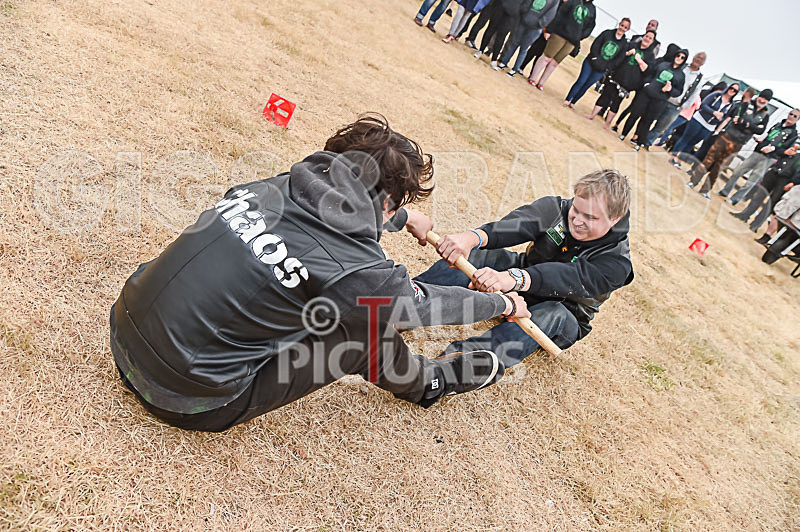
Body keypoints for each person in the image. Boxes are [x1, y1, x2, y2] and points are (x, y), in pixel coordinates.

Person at [109, 115, 531, 432]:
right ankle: (432, 383)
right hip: (188, 398)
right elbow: (425, 305)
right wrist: (501, 302)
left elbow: (326, 211)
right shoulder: (361, 271)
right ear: (387, 201)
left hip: (125, 329)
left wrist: (402, 217)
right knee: (365, 330)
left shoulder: (275, 186)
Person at [414, 169, 634, 367]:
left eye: (590, 217)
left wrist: (513, 278)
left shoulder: (617, 263)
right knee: (483, 256)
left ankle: (458, 364)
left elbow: (568, 277)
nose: (577, 220)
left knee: (553, 314)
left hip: (563, 311)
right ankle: (408, 300)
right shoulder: (557, 209)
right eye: (576, 209)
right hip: (520, 281)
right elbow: (515, 225)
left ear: (614, 219)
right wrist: (472, 238)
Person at [687, 88, 772, 199]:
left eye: (766, 99)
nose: (763, 100)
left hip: (739, 143)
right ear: (758, 96)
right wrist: (751, 126)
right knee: (708, 160)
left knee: (720, 167)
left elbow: (760, 130)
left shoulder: (765, 115)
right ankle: (693, 181)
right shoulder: (745, 105)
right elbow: (735, 119)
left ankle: (705, 190)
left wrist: (745, 123)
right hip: (726, 137)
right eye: (762, 97)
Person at [718, 109, 799, 203]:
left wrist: (773, 149)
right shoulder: (778, 125)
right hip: (758, 152)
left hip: (769, 158)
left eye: (795, 116)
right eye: (791, 114)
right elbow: (767, 135)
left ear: (798, 119)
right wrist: (760, 140)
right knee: (738, 171)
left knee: (751, 181)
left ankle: (735, 199)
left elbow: (786, 150)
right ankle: (725, 191)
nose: (791, 117)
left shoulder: (793, 134)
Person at [584, 30, 656, 129]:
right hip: (616, 76)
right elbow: (619, 56)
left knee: (616, 102)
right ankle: (592, 115)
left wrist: (639, 60)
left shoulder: (651, 56)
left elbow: (647, 70)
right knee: (605, 96)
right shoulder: (631, 45)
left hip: (628, 83)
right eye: (646, 36)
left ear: (652, 41)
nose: (647, 39)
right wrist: (628, 53)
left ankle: (607, 123)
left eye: (650, 38)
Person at [619, 48, 687, 150]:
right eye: (678, 55)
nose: (679, 58)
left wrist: (670, 89)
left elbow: (679, 91)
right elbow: (650, 74)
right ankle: (623, 134)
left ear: (684, 60)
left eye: (682, 57)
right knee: (634, 114)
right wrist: (647, 83)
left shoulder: (681, 76)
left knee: (647, 121)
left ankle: (639, 143)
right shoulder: (663, 65)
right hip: (646, 93)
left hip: (659, 100)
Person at [528, 0, 596, 91]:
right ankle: (533, 78)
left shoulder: (592, 9)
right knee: (546, 57)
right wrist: (549, 30)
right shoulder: (573, 1)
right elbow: (559, 14)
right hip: (559, 34)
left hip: (572, 41)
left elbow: (590, 27)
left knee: (554, 63)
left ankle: (541, 83)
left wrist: (579, 36)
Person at [562, 17, 629, 108]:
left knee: (587, 85)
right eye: (622, 25)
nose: (622, 28)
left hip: (601, 69)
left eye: (625, 27)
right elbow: (596, 44)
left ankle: (573, 102)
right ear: (619, 24)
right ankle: (568, 99)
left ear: (627, 29)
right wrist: (595, 58)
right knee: (581, 81)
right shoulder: (607, 33)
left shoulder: (624, 44)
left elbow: (619, 59)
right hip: (590, 62)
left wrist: (607, 67)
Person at [732, 145, 800, 232]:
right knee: (759, 195)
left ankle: (756, 224)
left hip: (787, 180)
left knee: (771, 203)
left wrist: (794, 182)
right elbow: (778, 150)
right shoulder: (794, 140)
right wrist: (784, 152)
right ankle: (745, 215)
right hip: (774, 172)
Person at [668, 83, 738, 168]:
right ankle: (673, 157)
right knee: (686, 138)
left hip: (709, 126)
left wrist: (718, 127)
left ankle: (679, 160)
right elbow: (703, 105)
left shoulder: (731, 105)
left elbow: (726, 118)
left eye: (735, 91)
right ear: (728, 88)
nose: (732, 91)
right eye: (731, 88)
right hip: (699, 119)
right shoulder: (716, 95)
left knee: (692, 143)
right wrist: (713, 112)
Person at [647, 52, 706, 146]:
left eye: (701, 59)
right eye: (698, 57)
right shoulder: (681, 67)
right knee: (649, 119)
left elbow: (694, 95)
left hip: (676, 106)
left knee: (661, 127)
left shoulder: (700, 79)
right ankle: (641, 138)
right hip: (664, 98)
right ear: (693, 57)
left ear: (703, 63)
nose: (698, 60)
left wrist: (684, 106)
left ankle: (647, 142)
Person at [498, 0, 560, 77]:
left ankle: (514, 69)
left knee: (524, 48)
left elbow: (550, 14)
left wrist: (540, 23)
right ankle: (504, 62)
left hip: (536, 28)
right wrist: (524, 14)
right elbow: (527, 3)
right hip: (523, 21)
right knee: (514, 43)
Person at [473, 0, 527, 69]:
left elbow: (526, 4)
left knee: (501, 36)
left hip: (512, 15)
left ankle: (494, 59)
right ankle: (481, 50)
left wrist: (516, 10)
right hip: (499, 6)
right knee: (490, 29)